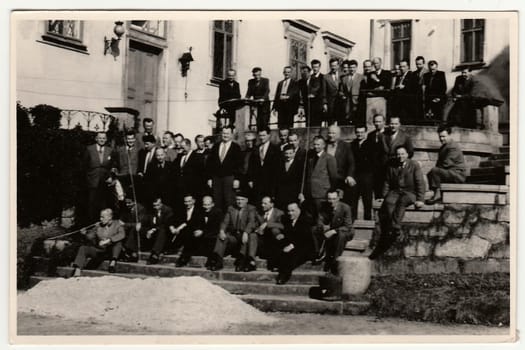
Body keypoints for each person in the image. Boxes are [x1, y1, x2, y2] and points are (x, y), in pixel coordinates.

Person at [369, 146, 425, 260]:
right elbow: (387, 182)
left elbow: (420, 182)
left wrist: (420, 199)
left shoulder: (414, 165)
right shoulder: (392, 165)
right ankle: (392, 226)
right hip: (395, 191)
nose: (400, 156)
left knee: (402, 202)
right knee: (388, 202)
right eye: (398, 154)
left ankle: (396, 227)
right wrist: (383, 196)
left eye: (403, 154)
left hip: (410, 192)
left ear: (407, 154)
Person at [208, 189, 257, 271]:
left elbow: (251, 222)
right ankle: (217, 260)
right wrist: (222, 231)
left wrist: (245, 232)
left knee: (251, 236)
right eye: (238, 199)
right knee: (222, 237)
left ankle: (246, 262)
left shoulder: (251, 209)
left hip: (245, 235)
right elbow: (225, 222)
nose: (239, 202)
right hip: (234, 235)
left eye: (242, 200)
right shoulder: (231, 208)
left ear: (247, 200)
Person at [71, 208, 125, 276]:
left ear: (110, 217)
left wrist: (109, 240)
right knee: (83, 248)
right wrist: (85, 233)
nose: (100, 219)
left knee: (118, 243)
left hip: (111, 251)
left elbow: (122, 235)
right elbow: (90, 237)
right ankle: (78, 270)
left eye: (103, 217)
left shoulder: (117, 224)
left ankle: (113, 263)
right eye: (100, 217)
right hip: (100, 250)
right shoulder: (98, 226)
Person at [275, 202, 316, 285]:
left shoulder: (305, 220)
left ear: (299, 210)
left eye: (293, 211)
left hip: (305, 247)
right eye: (288, 211)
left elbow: (304, 239)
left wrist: (291, 246)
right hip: (293, 245)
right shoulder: (287, 220)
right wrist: (281, 234)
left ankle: (283, 276)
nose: (290, 213)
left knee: (291, 255)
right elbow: (289, 234)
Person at [205, 126, 243, 212]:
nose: (225, 135)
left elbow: (239, 165)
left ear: (232, 134)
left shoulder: (236, 147)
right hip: (216, 178)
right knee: (217, 201)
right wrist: (209, 178)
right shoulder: (216, 146)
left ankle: (229, 223)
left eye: (227, 133)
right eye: (224, 133)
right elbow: (210, 164)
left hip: (229, 178)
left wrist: (237, 179)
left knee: (229, 201)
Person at [426, 126, 466, 204]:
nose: (441, 139)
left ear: (449, 135)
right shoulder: (444, 147)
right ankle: (435, 193)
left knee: (434, 171)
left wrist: (436, 170)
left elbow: (447, 163)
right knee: (432, 172)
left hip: (458, 174)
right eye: (440, 137)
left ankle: (438, 194)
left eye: (444, 136)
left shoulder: (453, 146)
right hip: (450, 172)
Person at [315, 190, 353, 273]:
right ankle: (317, 255)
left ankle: (335, 262)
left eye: (334, 199)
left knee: (341, 236)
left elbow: (348, 226)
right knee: (314, 229)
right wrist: (323, 226)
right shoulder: (324, 207)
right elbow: (319, 220)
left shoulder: (345, 207)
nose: (331, 201)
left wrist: (333, 231)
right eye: (329, 199)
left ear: (338, 198)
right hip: (330, 229)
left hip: (344, 231)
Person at [302, 136, 338, 217]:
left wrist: (330, 191)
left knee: (321, 218)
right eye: (314, 144)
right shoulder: (310, 157)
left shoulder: (329, 158)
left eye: (318, 145)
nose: (316, 147)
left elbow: (333, 177)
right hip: (310, 194)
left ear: (323, 145)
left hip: (322, 194)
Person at [83, 132, 115, 223]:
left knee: (103, 204)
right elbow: (84, 165)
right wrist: (88, 178)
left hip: (105, 181)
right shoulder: (89, 149)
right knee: (92, 204)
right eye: (100, 138)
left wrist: (110, 177)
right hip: (92, 181)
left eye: (104, 138)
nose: (102, 140)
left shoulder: (110, 150)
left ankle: (103, 225)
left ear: (106, 139)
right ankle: (91, 225)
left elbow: (113, 165)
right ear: (96, 139)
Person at [169, 194, 204, 267]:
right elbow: (172, 219)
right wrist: (172, 227)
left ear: (194, 201)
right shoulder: (181, 210)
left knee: (188, 231)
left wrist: (181, 227)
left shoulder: (199, 211)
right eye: (186, 202)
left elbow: (198, 224)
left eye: (189, 201)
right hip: (183, 235)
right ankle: (175, 249)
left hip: (194, 236)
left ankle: (183, 258)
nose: (187, 203)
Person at [247, 127, 280, 202]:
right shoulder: (256, 149)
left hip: (270, 182)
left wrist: (275, 185)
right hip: (257, 183)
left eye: (264, 135)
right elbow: (251, 166)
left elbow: (277, 168)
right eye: (260, 135)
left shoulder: (275, 149)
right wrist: (250, 180)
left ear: (269, 135)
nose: (262, 138)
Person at [252, 196, 285, 271]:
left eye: (265, 203)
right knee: (253, 235)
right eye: (262, 203)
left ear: (272, 204)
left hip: (274, 242)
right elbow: (254, 225)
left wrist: (267, 224)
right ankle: (251, 261)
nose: (262, 205)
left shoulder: (279, 213)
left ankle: (276, 262)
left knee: (275, 229)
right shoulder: (259, 213)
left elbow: (283, 226)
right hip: (262, 241)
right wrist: (257, 229)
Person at [326, 125, 356, 205]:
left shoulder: (345, 146)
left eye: (333, 133)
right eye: (329, 133)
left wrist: (350, 175)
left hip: (340, 178)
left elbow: (351, 163)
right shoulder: (324, 145)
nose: (331, 135)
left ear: (339, 135)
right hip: (326, 178)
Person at [172, 138, 205, 210]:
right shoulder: (179, 157)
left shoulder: (197, 157)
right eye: (181, 147)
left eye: (183, 147)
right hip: (180, 188)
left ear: (189, 146)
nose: (182, 149)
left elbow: (200, 174)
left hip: (192, 188)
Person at [350, 125, 374, 220]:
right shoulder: (352, 145)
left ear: (365, 133)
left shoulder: (371, 144)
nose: (359, 134)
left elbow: (374, 162)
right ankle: (353, 222)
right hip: (355, 176)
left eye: (362, 132)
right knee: (353, 201)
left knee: (367, 201)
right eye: (358, 132)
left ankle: (368, 223)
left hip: (367, 176)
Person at [144, 197, 175, 265]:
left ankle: (155, 254)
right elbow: (150, 222)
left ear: (161, 204)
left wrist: (153, 229)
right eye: (154, 205)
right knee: (141, 229)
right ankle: (130, 251)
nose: (156, 207)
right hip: (156, 231)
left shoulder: (168, 210)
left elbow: (165, 224)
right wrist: (150, 229)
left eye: (157, 205)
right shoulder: (153, 211)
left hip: (167, 232)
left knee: (162, 231)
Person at [366, 114, 390, 199]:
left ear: (384, 122)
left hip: (386, 167)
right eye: (375, 122)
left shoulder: (389, 134)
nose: (377, 124)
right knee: (377, 191)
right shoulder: (370, 135)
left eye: (379, 121)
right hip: (374, 168)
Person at [275, 144, 304, 210]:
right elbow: (275, 180)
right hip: (281, 196)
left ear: (294, 153)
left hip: (293, 196)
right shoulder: (279, 164)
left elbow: (300, 181)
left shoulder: (299, 165)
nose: (288, 155)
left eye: (290, 153)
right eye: (286, 153)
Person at [299, 60, 327, 127]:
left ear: (319, 67)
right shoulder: (309, 78)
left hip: (319, 103)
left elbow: (324, 91)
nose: (315, 69)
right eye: (313, 67)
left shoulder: (323, 77)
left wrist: (324, 103)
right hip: (309, 104)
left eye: (316, 67)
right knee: (309, 122)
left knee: (317, 122)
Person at [199, 196, 224, 268]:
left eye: (208, 205)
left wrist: (203, 232)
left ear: (213, 204)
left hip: (213, 235)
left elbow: (217, 227)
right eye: (204, 205)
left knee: (212, 241)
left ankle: (211, 260)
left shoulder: (217, 212)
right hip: (203, 236)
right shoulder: (201, 212)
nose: (206, 207)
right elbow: (197, 224)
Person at [121, 197, 148, 263]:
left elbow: (138, 224)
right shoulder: (126, 209)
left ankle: (132, 253)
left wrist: (125, 224)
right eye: (126, 203)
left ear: (134, 202)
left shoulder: (141, 209)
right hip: (130, 227)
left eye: (129, 203)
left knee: (133, 230)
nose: (127, 204)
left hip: (141, 229)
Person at [339, 59, 363, 125]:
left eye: (353, 67)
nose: (352, 69)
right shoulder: (344, 78)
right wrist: (342, 95)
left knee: (357, 117)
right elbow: (341, 91)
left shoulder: (361, 77)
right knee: (347, 118)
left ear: (356, 67)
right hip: (347, 102)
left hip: (357, 101)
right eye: (350, 67)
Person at [324, 58, 342, 126]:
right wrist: (325, 103)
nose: (333, 67)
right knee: (331, 121)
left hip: (341, 102)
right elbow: (324, 91)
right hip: (331, 102)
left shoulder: (343, 75)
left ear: (338, 66)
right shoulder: (326, 77)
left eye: (335, 65)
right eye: (332, 66)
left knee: (341, 120)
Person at [411, 56, 428, 120]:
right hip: (416, 94)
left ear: (423, 63)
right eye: (417, 64)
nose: (418, 66)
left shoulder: (427, 72)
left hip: (424, 94)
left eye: (420, 64)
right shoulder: (414, 73)